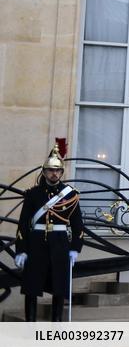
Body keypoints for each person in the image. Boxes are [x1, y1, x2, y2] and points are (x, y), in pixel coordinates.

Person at [14, 138, 84, 322]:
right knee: (32, 286)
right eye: (51, 170)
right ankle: (29, 326)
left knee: (59, 285)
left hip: (60, 242)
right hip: (36, 241)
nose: (54, 173)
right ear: (44, 172)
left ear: (62, 172)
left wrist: (76, 248)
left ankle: (57, 325)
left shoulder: (71, 195)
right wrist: (21, 249)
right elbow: (23, 224)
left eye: (57, 170)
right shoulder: (32, 194)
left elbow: (77, 225)